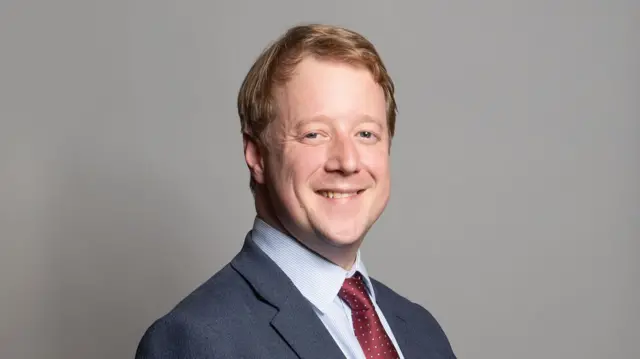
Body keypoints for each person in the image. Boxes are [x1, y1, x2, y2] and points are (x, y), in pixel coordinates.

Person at [135, 23, 457, 359]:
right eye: (314, 134)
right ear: (256, 155)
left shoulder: (422, 332)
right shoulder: (195, 341)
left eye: (365, 134)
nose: (347, 161)